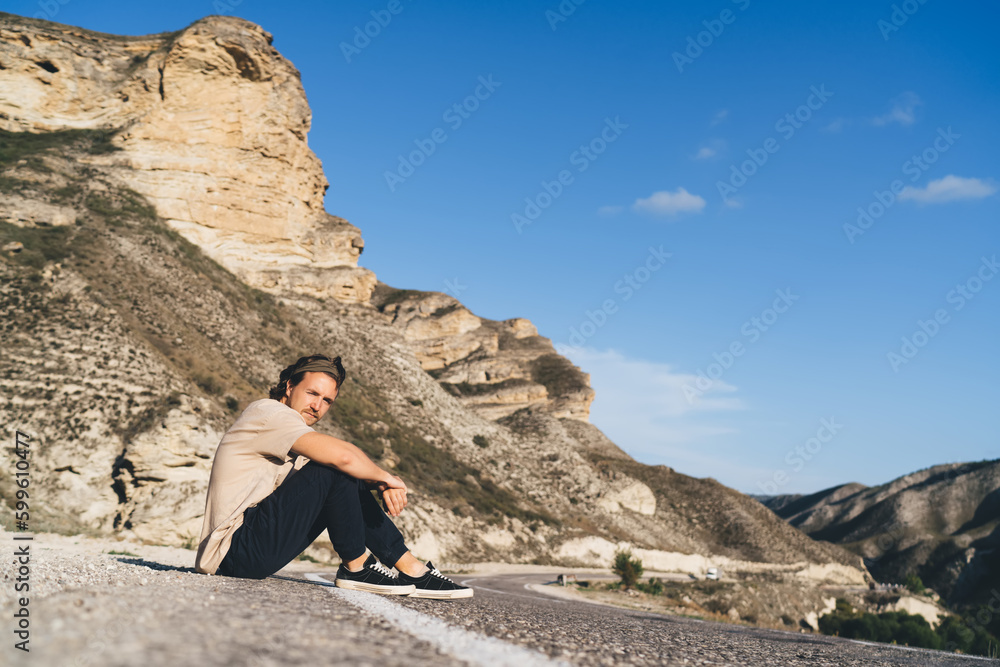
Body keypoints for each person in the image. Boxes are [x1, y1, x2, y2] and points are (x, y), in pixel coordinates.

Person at [194, 353, 472, 599]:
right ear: (289, 387)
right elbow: (344, 457)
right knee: (335, 468)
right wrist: (389, 479)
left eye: (327, 400)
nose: (317, 406)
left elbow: (342, 476)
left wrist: (374, 481)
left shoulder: (293, 433)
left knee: (341, 473)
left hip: (251, 552)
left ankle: (411, 569)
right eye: (312, 393)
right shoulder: (269, 413)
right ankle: (357, 566)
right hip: (230, 551)